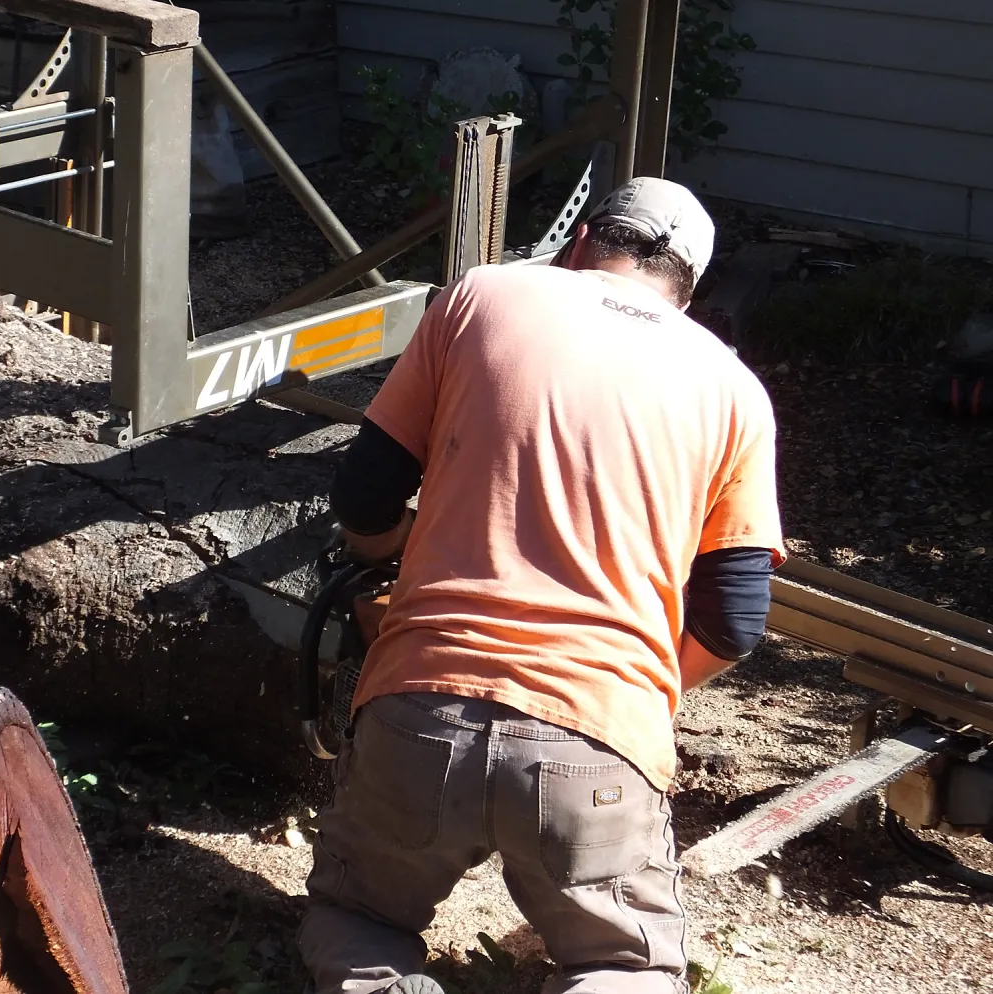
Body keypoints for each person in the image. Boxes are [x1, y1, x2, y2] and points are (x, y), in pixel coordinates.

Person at [298, 177, 785, 994]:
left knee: (359, 925)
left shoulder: (484, 295)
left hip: (422, 714)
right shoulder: (736, 391)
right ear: (688, 291)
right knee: (622, 969)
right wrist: (630, 697)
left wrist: (382, 569)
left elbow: (365, 493)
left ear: (581, 239)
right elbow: (735, 620)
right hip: (598, 747)